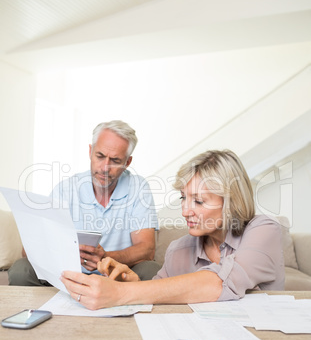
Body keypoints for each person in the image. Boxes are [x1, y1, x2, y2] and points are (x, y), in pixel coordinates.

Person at [61, 149, 285, 310]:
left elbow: (219, 282)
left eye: (198, 201)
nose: (185, 211)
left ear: (231, 201)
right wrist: (134, 284)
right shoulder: (179, 248)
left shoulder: (264, 231)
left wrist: (120, 294)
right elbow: (158, 292)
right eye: (183, 198)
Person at [9, 120, 160, 285]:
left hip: (116, 275)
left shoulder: (138, 188)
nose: (104, 168)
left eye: (115, 160)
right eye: (100, 156)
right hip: (67, 275)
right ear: (90, 151)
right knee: (21, 269)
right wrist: (67, 253)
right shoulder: (66, 189)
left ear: (127, 163)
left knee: (151, 270)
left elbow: (147, 249)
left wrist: (107, 257)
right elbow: (29, 249)